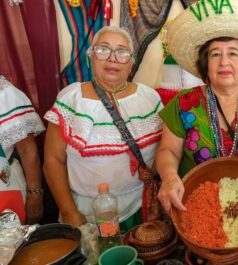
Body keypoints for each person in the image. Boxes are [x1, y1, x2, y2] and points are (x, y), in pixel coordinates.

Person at [156, 0, 238, 213]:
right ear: (205, 64)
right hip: (192, 208)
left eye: (233, 53)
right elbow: (168, 150)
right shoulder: (183, 104)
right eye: (215, 54)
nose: (224, 62)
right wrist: (170, 178)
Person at [43, 26, 163, 228]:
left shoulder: (149, 98)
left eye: (122, 52)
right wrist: (69, 211)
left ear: (131, 62)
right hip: (88, 215)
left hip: (142, 208)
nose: (112, 58)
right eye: (103, 49)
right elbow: (53, 160)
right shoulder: (72, 100)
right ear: (92, 58)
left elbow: (166, 148)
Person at [0, 75, 45, 224]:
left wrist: (35, 195)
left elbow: (27, 150)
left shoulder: (4, 93)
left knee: (14, 244)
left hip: (5, 190)